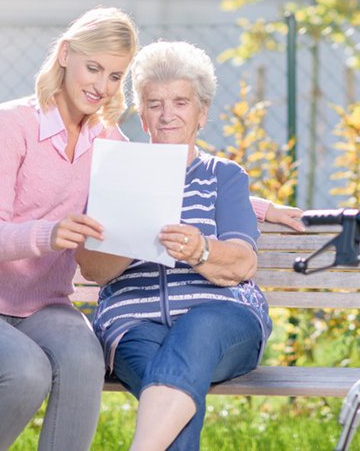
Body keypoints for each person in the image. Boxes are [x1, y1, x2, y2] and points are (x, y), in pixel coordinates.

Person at [0, 8, 301, 450]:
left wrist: (257, 205)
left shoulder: (108, 144)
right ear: (64, 55)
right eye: (94, 68)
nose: (102, 86)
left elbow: (175, 175)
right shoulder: (10, 123)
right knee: (27, 371)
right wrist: (49, 233)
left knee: (86, 360)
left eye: (115, 76)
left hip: (43, 306)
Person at [77, 40, 282, 451]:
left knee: (197, 327)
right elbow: (92, 271)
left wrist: (201, 251)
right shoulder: (116, 172)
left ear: (201, 112)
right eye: (154, 103)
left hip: (225, 323)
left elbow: (242, 264)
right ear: (142, 115)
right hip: (134, 326)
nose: (167, 114)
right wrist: (133, 235)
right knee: (170, 392)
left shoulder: (224, 176)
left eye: (180, 102)